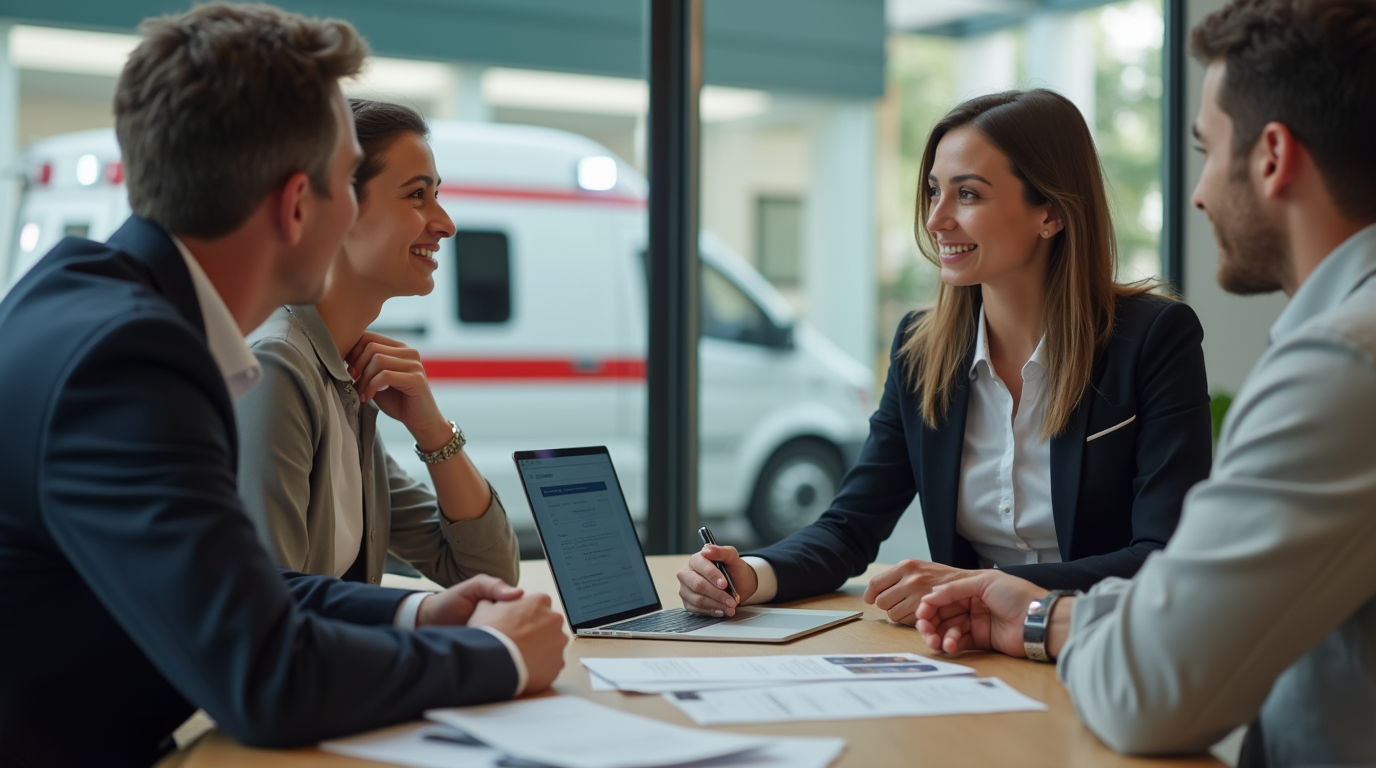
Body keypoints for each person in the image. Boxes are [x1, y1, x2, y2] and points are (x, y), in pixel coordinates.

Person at [0, 6, 566, 767]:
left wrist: (419, 612)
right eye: (344, 185)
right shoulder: (132, 362)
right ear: (298, 205)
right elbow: (265, 676)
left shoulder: (90, 295)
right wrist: (501, 662)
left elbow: (240, 587)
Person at [913, 1, 1376, 764]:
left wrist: (1040, 620)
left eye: (1205, 150)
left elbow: (1148, 695)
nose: (1197, 194)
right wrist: (1044, 613)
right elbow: (1201, 609)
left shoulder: (1340, 368)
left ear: (1271, 157)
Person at [679, 88, 1213, 624]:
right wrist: (747, 574)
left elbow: (1162, 556)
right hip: (966, 654)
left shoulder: (1153, 337)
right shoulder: (922, 351)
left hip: (1101, 645)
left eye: (969, 195)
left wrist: (983, 587)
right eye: (935, 191)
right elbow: (849, 526)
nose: (937, 220)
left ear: (1049, 213)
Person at [235, 99, 518, 587]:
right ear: (336, 210)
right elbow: (270, 608)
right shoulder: (279, 367)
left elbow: (487, 572)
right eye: (416, 195)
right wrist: (417, 621)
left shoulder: (341, 376)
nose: (445, 223)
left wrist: (434, 433)